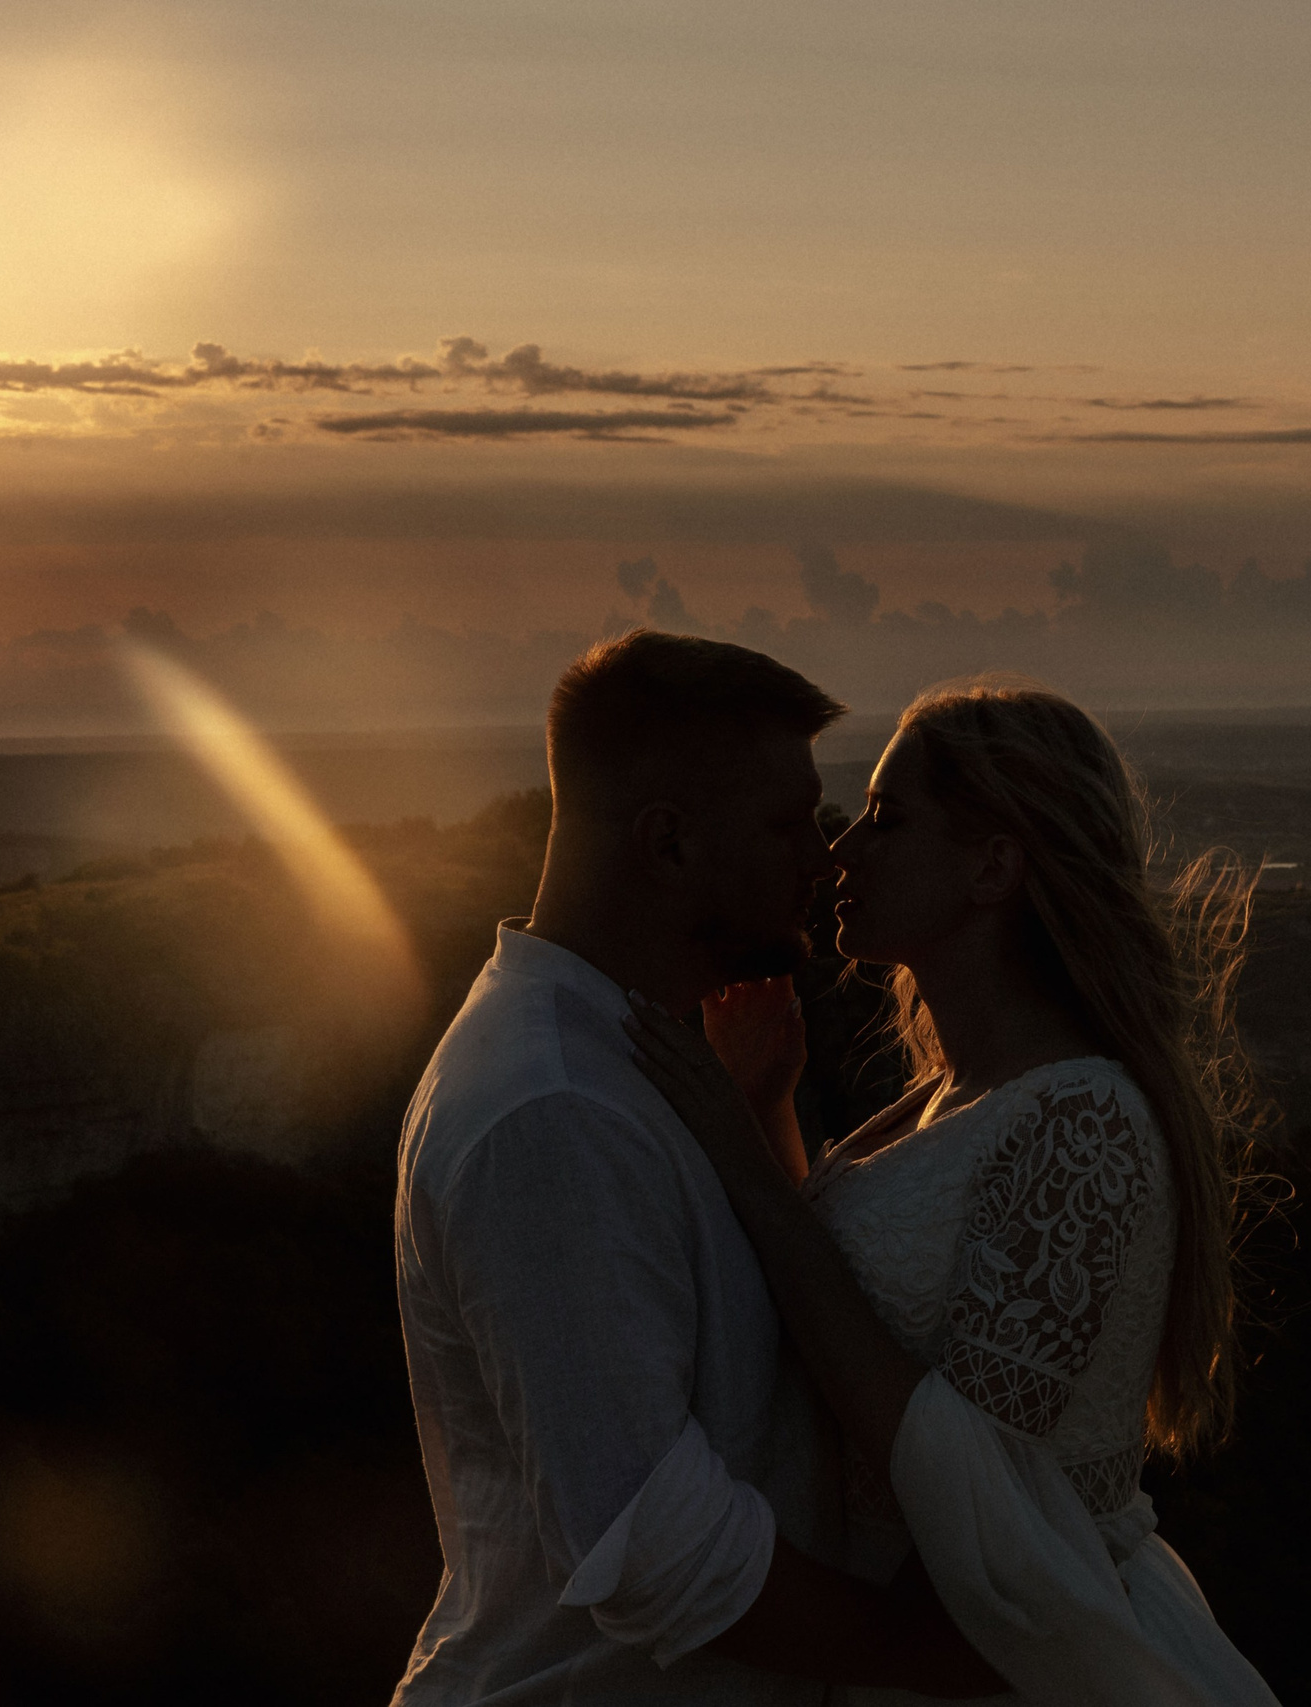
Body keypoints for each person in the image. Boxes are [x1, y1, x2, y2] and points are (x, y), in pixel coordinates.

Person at [625, 677, 1281, 1706]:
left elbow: (960, 1462)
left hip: (1016, 1662)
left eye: (887, 820)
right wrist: (765, 1106)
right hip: (919, 1645)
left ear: (992, 865)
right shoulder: (947, 1096)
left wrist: (742, 1159)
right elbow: (853, 1315)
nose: (844, 851)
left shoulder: (1083, 1124)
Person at [392, 631, 1005, 1704]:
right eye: (784, 825)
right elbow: (654, 1546)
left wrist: (759, 1110)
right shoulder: (553, 1114)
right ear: (668, 845)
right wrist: (940, 1655)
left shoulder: (632, 1062)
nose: (823, 861)